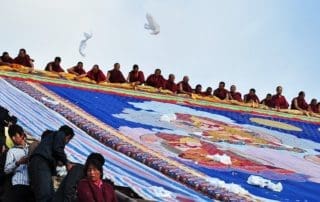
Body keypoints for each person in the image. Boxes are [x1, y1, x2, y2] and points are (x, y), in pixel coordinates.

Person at [28, 125, 75, 202]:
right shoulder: (60, 134)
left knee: (50, 196)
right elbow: (58, 149)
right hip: (41, 164)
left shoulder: (49, 142)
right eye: (68, 140)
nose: (66, 143)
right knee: (45, 195)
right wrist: (67, 163)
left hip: (41, 165)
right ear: (68, 137)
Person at [4, 125, 34, 202]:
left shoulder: (31, 148)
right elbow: (6, 170)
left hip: (32, 186)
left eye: (15, 136)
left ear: (22, 135)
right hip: (18, 185)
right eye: (12, 137)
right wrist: (18, 163)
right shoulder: (11, 151)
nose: (13, 138)